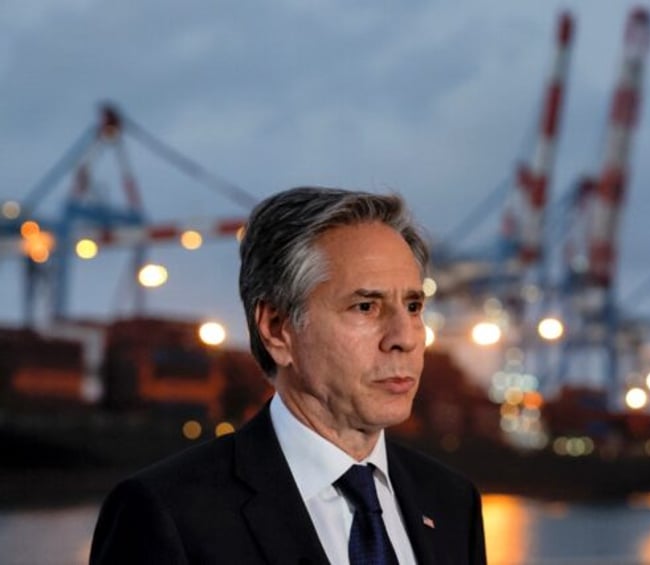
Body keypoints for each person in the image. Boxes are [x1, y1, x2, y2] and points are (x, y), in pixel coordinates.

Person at [90, 187, 488, 564]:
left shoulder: (453, 502)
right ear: (277, 329)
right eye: (366, 307)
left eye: (414, 306)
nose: (405, 337)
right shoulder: (165, 513)